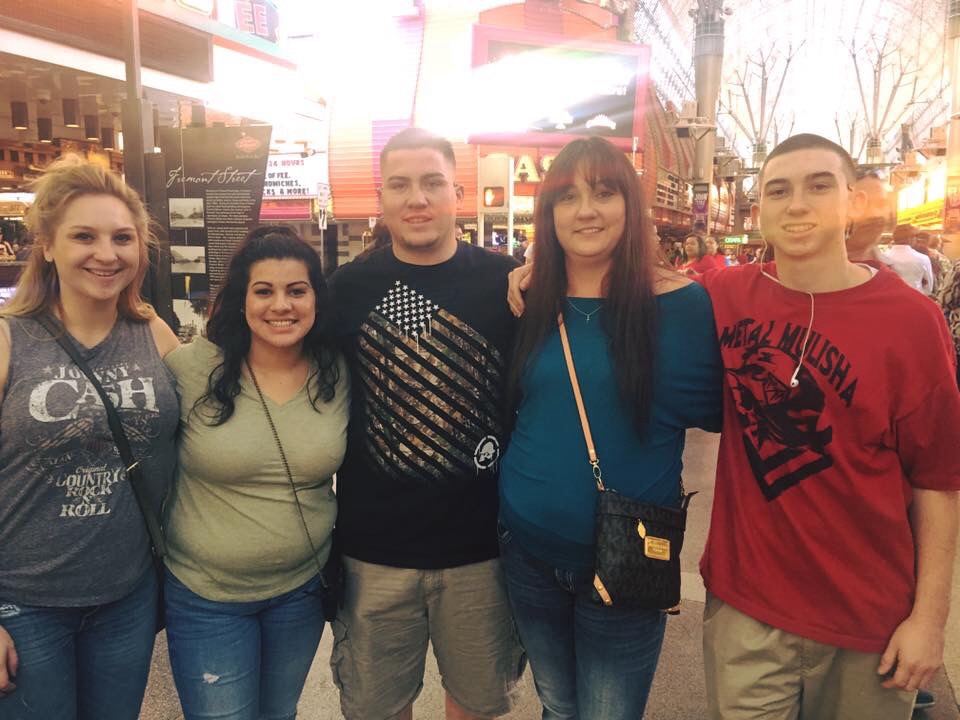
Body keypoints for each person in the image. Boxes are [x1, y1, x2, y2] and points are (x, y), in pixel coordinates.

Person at [508, 134, 960, 719]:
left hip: (867, 613)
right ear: (759, 208)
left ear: (854, 200)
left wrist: (929, 619)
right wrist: (536, 268)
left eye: (819, 186)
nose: (798, 204)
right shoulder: (725, 295)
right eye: (779, 190)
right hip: (745, 603)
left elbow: (938, 480)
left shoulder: (910, 320)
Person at [499, 136, 722, 719]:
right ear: (548, 213)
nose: (586, 211)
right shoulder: (529, 298)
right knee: (557, 706)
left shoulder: (681, 306)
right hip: (526, 548)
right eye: (567, 197)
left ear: (630, 203)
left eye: (603, 193)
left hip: (626, 558)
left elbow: (711, 410)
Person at [328, 128, 525, 720]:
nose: (417, 198)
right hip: (374, 553)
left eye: (432, 183)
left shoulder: (508, 282)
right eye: (400, 185)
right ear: (381, 200)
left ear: (458, 194)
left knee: (478, 706)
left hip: (482, 553)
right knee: (377, 710)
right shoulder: (347, 290)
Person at [0, 155, 180, 719]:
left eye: (122, 238)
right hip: (23, 604)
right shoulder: (8, 341)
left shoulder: (153, 333)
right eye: (84, 236)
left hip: (127, 596)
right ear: (47, 245)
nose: (107, 253)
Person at [161, 226, 348, 720]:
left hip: (301, 591)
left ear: (316, 298)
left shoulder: (337, 371)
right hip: (206, 596)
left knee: (279, 713)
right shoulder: (190, 369)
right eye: (263, 291)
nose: (281, 305)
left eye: (297, 290)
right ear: (241, 301)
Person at [885, 224, 935, 294]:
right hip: (915, 296)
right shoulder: (922, 258)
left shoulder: (884, 257)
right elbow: (929, 287)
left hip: (890, 297)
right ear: (911, 238)